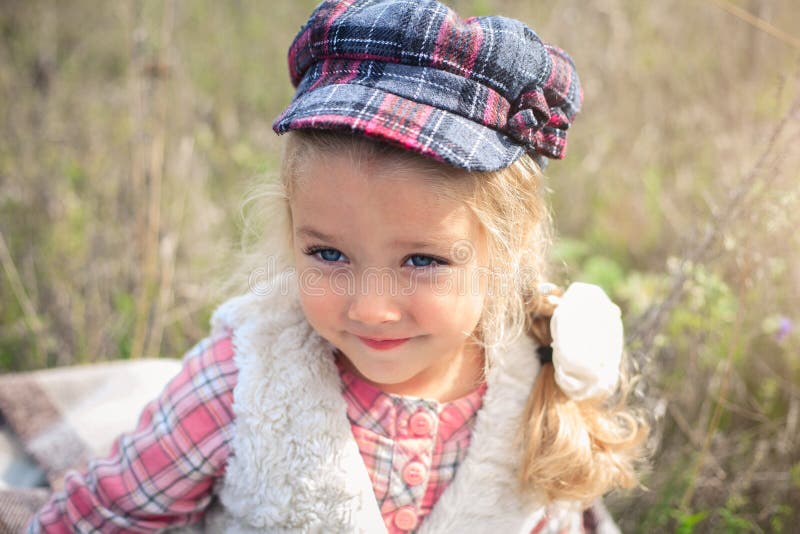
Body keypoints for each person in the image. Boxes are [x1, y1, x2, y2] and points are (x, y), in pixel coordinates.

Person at [27, 0, 647, 532]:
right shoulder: (246, 378)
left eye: (422, 260)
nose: (370, 308)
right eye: (328, 253)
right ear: (291, 228)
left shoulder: (536, 377)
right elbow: (98, 516)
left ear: (505, 250)